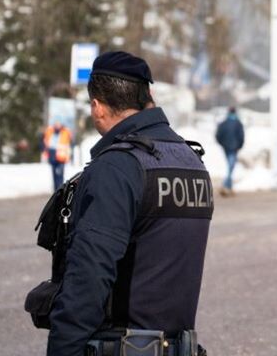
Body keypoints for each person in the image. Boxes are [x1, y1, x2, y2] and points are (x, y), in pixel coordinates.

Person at [46, 51, 213, 356]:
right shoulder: (192, 162)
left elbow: (89, 277)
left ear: (97, 107)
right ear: (148, 95)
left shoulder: (118, 167)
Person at [215, 107, 245, 196]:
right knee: (231, 166)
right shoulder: (238, 124)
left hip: (226, 147)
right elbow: (241, 136)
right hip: (234, 148)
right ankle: (225, 185)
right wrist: (239, 146)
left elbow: (218, 135)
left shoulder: (223, 123)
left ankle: (229, 187)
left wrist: (222, 144)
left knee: (230, 165)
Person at [42, 121, 74, 191]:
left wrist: (70, 154)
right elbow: (45, 142)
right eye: (55, 124)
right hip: (52, 155)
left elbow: (70, 142)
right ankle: (55, 190)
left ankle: (60, 190)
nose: (57, 125)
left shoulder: (66, 132)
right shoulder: (49, 131)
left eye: (58, 124)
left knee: (60, 174)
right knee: (54, 174)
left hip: (62, 156)